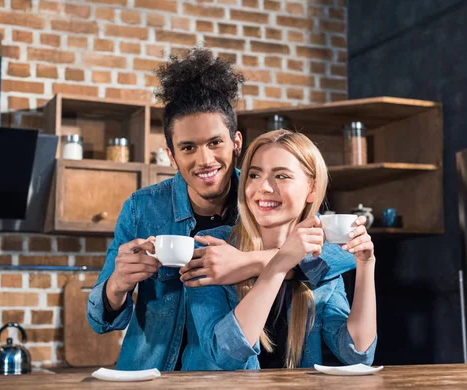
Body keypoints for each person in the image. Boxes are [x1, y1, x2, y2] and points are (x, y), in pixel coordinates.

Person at [86, 48, 357, 371]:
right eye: (188, 148)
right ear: (171, 156)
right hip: (150, 377)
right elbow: (100, 321)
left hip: (229, 378)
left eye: (215, 143)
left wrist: (245, 262)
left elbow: (337, 256)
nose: (204, 160)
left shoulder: (263, 200)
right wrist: (117, 284)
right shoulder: (141, 209)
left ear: (236, 143)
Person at [187, 130, 377, 370]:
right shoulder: (210, 246)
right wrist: (279, 263)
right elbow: (224, 355)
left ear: (312, 189)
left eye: (282, 176)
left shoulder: (321, 257)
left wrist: (366, 266)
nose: (264, 187)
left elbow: (357, 354)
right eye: (254, 175)